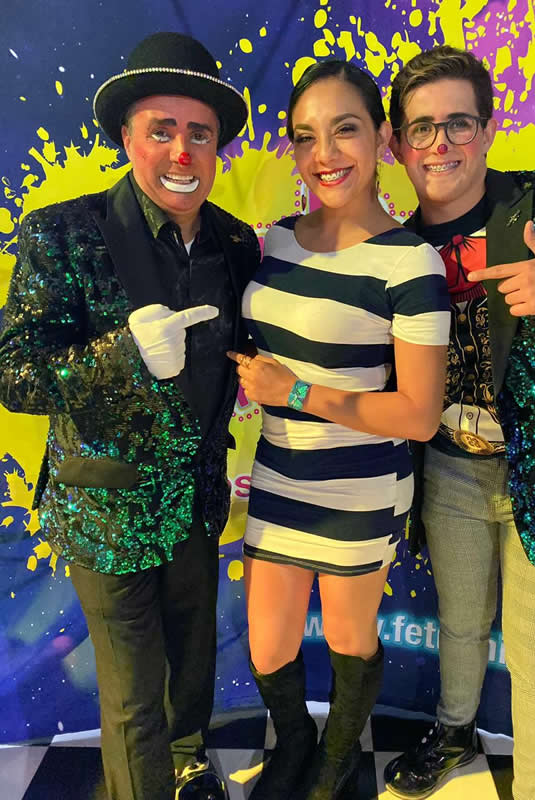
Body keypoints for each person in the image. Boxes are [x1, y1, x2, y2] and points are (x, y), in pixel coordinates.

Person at [0, 32, 260, 800]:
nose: (182, 151)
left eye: (199, 133)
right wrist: (119, 353)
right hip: (104, 510)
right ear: (126, 136)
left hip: (197, 503)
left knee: (190, 677)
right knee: (134, 701)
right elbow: (14, 376)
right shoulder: (61, 231)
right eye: (162, 129)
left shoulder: (235, 241)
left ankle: (187, 768)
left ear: (216, 147)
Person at [227, 59, 450, 800]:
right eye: (305, 136)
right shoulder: (277, 240)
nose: (324, 154)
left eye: (345, 130)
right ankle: (296, 744)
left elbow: (418, 414)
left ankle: (336, 760)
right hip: (281, 472)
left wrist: (295, 390)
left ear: (382, 137)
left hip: (361, 486)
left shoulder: (410, 261)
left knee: (351, 639)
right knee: (268, 646)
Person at [383, 45, 535, 800]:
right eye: (421, 128)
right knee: (460, 625)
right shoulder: (395, 249)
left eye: (458, 123)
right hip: (448, 471)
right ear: (396, 143)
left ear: (488, 127)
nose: (440, 144)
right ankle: (453, 733)